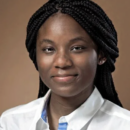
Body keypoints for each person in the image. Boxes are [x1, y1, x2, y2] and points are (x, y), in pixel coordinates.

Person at [0, 0, 130, 129]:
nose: (61, 62)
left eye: (77, 48)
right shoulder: (10, 123)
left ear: (101, 55)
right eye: (49, 49)